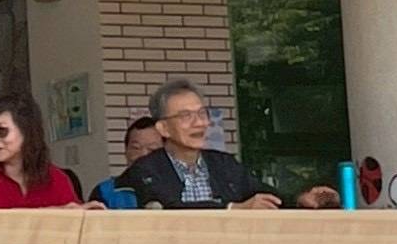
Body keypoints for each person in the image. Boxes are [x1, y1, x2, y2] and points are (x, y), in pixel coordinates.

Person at [118, 78, 339, 209]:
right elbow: (169, 209)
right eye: (186, 116)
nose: (199, 123)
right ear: (163, 128)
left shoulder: (224, 165)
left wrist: (302, 200)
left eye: (202, 114)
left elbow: (265, 196)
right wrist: (233, 209)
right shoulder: (145, 170)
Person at [0, 93, 98, 209]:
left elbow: (74, 216)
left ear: (27, 131)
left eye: (2, 131)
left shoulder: (57, 178)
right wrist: (60, 211)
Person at [90, 117, 163, 207]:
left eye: (152, 149)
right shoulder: (104, 192)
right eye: (136, 148)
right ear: (126, 151)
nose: (143, 155)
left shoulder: (176, 188)